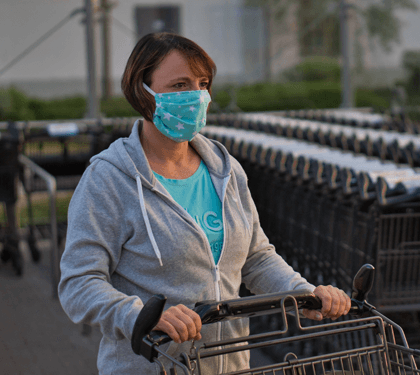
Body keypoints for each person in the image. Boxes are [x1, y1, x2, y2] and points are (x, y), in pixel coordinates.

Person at [58, 32, 351, 375]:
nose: (196, 96)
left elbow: (256, 258)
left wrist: (303, 294)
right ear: (143, 91)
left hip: (231, 365)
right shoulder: (109, 179)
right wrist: (139, 316)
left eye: (202, 83)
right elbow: (79, 282)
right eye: (180, 85)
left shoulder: (224, 170)